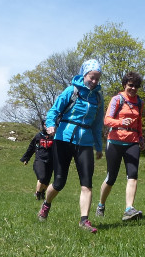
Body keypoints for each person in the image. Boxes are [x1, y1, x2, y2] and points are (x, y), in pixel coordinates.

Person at [38, 58, 105, 233]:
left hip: (85, 142)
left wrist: (99, 146)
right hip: (63, 139)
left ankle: (84, 221)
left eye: (97, 78)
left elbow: (98, 124)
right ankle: (46, 205)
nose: (94, 81)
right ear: (84, 75)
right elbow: (54, 110)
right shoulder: (72, 91)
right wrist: (50, 124)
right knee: (59, 182)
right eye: (92, 77)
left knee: (87, 183)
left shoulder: (98, 97)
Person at [96, 71, 145, 221]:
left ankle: (129, 209)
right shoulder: (117, 99)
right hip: (115, 141)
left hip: (133, 142)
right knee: (111, 177)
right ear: (125, 85)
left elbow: (139, 122)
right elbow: (107, 120)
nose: (133, 88)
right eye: (131, 85)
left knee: (133, 175)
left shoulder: (139, 102)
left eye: (136, 86)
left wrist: (141, 137)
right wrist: (120, 123)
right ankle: (101, 205)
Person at [20, 126, 54, 200]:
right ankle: (37, 193)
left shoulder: (55, 136)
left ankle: (42, 193)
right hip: (40, 160)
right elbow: (31, 147)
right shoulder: (39, 136)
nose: (47, 127)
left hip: (51, 161)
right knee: (42, 177)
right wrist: (26, 158)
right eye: (45, 125)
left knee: (47, 181)